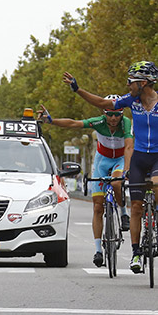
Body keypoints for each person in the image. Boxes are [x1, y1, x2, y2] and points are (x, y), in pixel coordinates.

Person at [62, 61, 158, 273]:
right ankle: (136, 253)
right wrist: (77, 89)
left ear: (144, 82)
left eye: (131, 81)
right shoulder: (131, 101)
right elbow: (102, 102)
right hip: (139, 158)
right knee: (137, 208)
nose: (127, 84)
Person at [37, 97, 133, 267]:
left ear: (122, 113)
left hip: (119, 159)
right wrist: (50, 121)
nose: (113, 119)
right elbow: (73, 123)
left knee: (117, 183)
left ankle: (124, 212)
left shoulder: (126, 123)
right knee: (97, 206)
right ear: (104, 113)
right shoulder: (98, 122)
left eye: (116, 115)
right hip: (102, 160)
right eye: (109, 115)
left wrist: (126, 169)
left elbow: (128, 147)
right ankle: (98, 250)